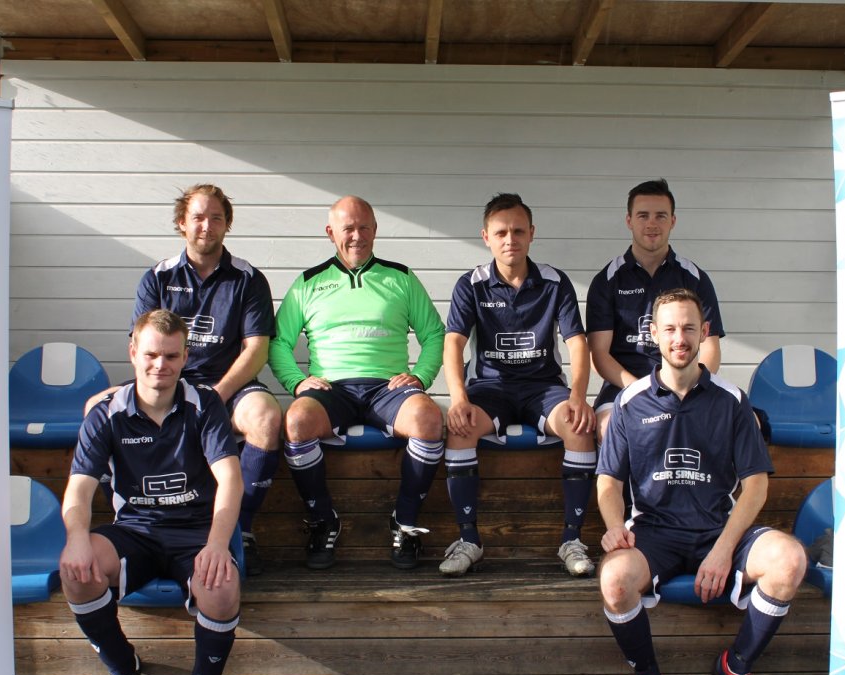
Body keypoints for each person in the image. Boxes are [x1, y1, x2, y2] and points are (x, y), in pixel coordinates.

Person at [596, 289, 806, 675]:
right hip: (654, 531)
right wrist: (614, 528)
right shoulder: (629, 402)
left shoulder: (732, 400)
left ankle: (737, 667)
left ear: (704, 332)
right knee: (614, 579)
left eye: (689, 328)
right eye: (670, 329)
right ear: (653, 334)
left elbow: (756, 485)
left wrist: (723, 550)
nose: (680, 338)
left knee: (789, 560)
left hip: (718, 528)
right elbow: (608, 482)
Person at [60, 309, 243, 675]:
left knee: (221, 586)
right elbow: (78, 490)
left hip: (195, 531)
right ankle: (123, 673)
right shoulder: (106, 412)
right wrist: (76, 539)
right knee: (77, 572)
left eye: (171, 356)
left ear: (185, 357)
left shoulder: (205, 404)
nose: (161, 365)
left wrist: (218, 544)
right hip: (135, 529)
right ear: (133, 352)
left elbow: (231, 480)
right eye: (151, 355)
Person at [268, 195, 445, 570]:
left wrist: (421, 376)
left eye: (365, 227)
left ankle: (405, 522)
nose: (357, 236)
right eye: (348, 228)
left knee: (429, 419)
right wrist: (297, 382)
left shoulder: (401, 277)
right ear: (331, 232)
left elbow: (434, 334)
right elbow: (279, 342)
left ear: (375, 230)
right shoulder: (308, 283)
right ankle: (323, 521)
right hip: (333, 388)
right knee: (296, 422)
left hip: (387, 388)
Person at [128, 183, 281, 576]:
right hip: (173, 385)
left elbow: (256, 350)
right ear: (182, 222)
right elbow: (144, 347)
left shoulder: (248, 278)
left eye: (216, 218)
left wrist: (216, 395)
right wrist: (173, 393)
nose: (206, 226)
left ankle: (241, 529)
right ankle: (142, 529)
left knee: (266, 417)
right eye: (198, 217)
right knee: (101, 409)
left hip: (230, 386)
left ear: (227, 224)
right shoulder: (158, 277)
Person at [440, 193, 596, 577]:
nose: (510, 240)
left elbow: (578, 344)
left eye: (518, 231)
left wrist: (579, 397)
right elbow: (453, 344)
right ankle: (469, 540)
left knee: (579, 427)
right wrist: (458, 399)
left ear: (532, 234)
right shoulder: (471, 284)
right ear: (486, 237)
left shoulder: (555, 282)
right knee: (459, 428)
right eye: (501, 232)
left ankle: (572, 540)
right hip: (491, 388)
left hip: (543, 387)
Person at [587, 179, 725, 442]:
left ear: (672, 221)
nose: (652, 224)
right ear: (629, 220)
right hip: (624, 386)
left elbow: (710, 349)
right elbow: (599, 355)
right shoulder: (607, 280)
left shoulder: (694, 278)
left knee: (738, 422)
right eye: (643, 216)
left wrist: (688, 387)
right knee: (607, 429)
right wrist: (643, 390)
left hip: (685, 384)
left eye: (660, 216)